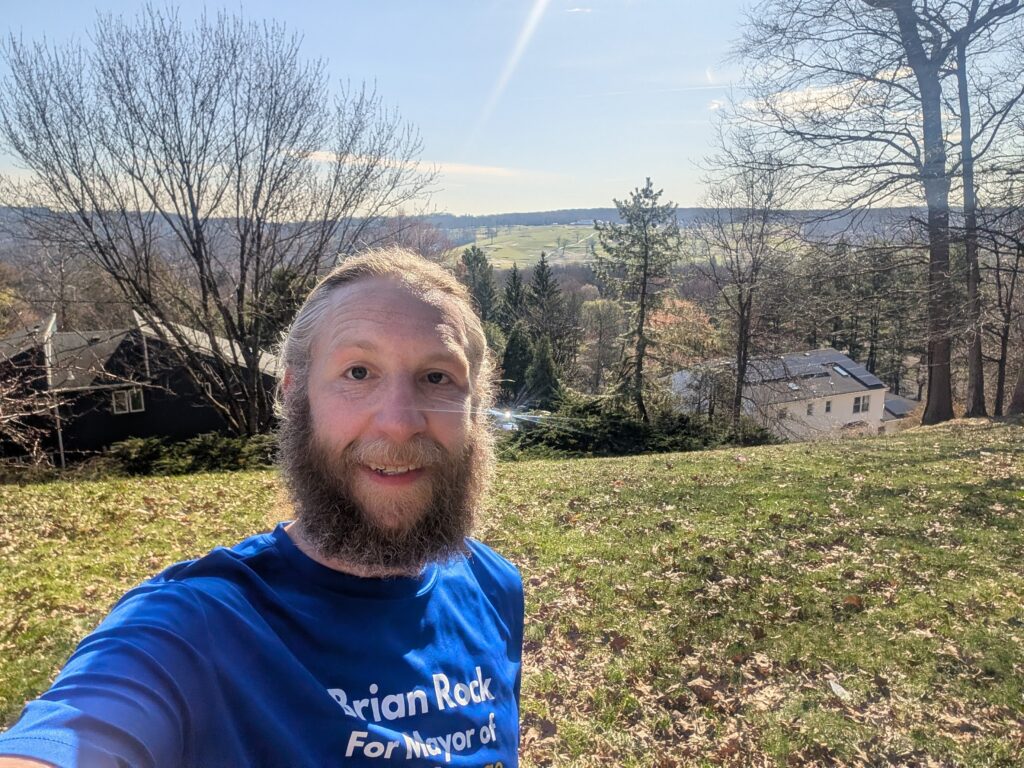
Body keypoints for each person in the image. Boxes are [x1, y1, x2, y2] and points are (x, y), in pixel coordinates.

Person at [0, 248, 524, 767]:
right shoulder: (195, 628)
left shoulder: (494, 587)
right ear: (296, 394)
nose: (400, 422)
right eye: (358, 372)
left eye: (437, 377)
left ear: (476, 406)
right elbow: (75, 735)